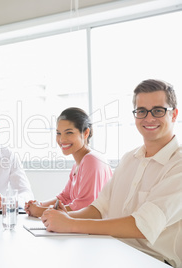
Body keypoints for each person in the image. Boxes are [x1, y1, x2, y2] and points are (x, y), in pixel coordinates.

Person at [41, 79, 182, 267]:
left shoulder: (177, 164)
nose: (148, 118)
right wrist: (59, 218)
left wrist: (70, 224)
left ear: (174, 115)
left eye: (158, 111)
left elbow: (143, 225)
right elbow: (99, 208)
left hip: (151, 260)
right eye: (141, 111)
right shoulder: (128, 159)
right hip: (111, 251)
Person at [25, 107, 112, 217]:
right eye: (58, 133)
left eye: (69, 133)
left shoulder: (92, 160)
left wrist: (40, 211)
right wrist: (39, 205)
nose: (62, 140)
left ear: (85, 133)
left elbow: (84, 206)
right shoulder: (78, 164)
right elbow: (65, 198)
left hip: (96, 229)